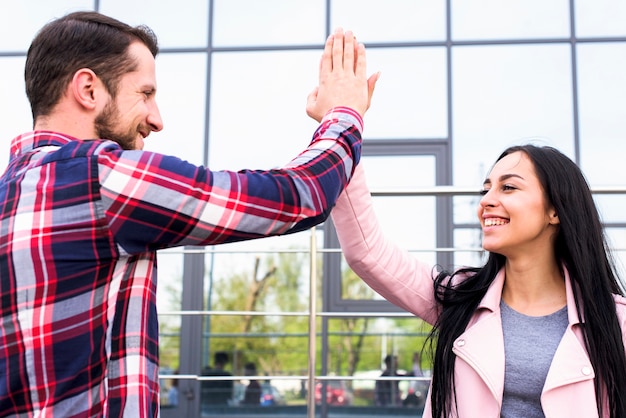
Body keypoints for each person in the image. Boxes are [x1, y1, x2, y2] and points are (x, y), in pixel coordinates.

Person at [0, 11, 379, 418]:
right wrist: (344, 114)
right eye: (145, 94)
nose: (157, 119)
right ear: (88, 89)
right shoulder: (100, 180)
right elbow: (300, 195)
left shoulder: (10, 193)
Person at [330, 145, 626, 417]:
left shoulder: (615, 321)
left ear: (555, 211)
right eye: (486, 189)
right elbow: (367, 253)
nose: (486, 201)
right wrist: (343, 133)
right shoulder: (459, 298)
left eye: (508, 187)